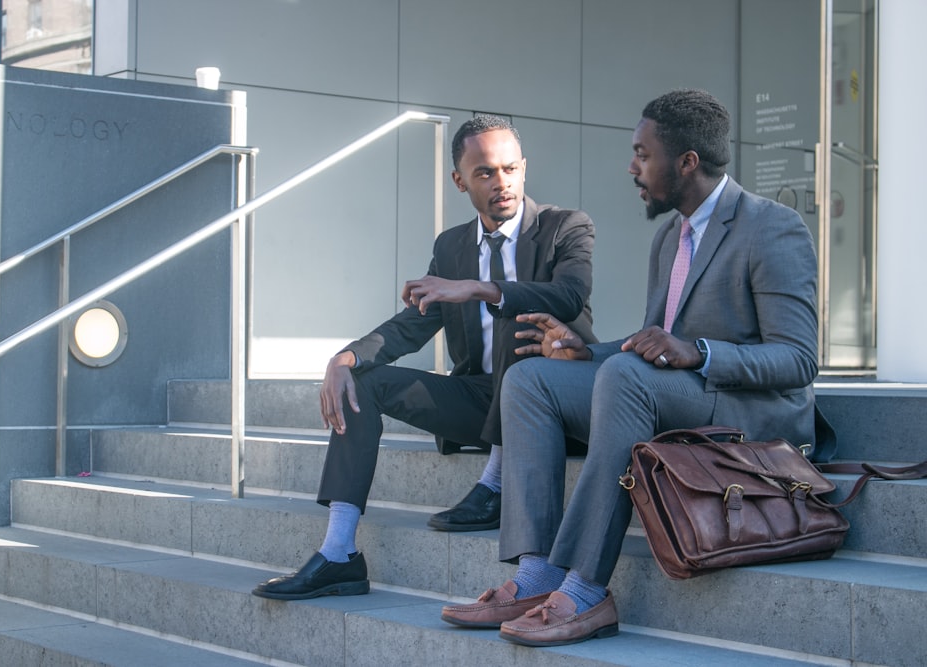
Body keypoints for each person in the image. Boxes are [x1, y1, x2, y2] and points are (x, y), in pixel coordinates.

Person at [440, 89, 822, 647]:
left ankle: (587, 588)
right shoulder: (671, 235)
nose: (632, 166)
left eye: (643, 154)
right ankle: (536, 576)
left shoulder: (772, 227)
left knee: (623, 378)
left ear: (686, 162)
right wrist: (581, 350)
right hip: (673, 394)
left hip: (755, 416)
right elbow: (653, 343)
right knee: (529, 378)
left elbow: (798, 359)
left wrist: (701, 353)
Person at [252, 114, 597, 601]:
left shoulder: (566, 226)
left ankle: (495, 484)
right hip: (482, 401)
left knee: (515, 315)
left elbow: (568, 296)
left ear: (524, 168)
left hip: (553, 401)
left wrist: (480, 289)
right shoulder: (452, 246)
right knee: (364, 381)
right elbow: (414, 323)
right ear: (460, 181)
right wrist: (346, 357)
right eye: (484, 173)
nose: (502, 183)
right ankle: (338, 553)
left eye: (510, 169)